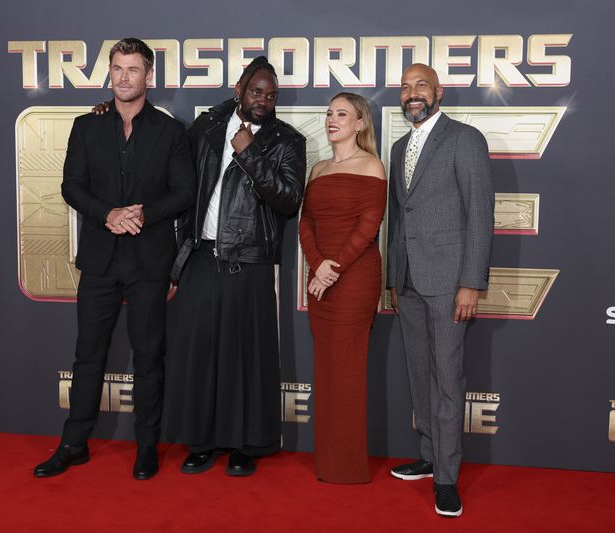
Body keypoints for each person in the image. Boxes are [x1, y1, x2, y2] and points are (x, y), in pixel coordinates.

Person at [33, 38, 194, 480]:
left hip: (149, 263)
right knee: (88, 357)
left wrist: (141, 213)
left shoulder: (172, 132)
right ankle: (73, 444)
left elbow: (183, 192)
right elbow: (71, 186)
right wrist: (107, 214)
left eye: (133, 70)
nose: (124, 78)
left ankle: (146, 447)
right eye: (117, 69)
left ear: (149, 76)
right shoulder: (87, 126)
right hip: (101, 262)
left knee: (148, 359)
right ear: (110, 73)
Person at [163, 56, 306, 476]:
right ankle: (202, 442)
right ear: (239, 89)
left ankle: (246, 444)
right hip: (201, 258)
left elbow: (288, 201)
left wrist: (251, 154)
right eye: (257, 91)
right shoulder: (206, 126)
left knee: (248, 359)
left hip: (250, 261)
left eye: (272, 94)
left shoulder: (286, 141)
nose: (264, 100)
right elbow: (171, 162)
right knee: (200, 356)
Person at [386, 64, 494, 516]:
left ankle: (447, 479)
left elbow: (479, 214)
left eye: (421, 86)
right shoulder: (397, 147)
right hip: (408, 281)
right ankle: (429, 456)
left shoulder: (465, 139)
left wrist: (470, 282)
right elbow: (400, 216)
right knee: (419, 375)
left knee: (447, 381)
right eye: (406, 87)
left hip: (449, 283)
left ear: (439, 92)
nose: (413, 94)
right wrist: (394, 277)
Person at [298, 93, 386, 484]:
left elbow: (369, 225)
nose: (332, 120)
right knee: (326, 368)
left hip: (353, 280)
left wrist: (332, 269)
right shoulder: (316, 170)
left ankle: (348, 467)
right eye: (329, 113)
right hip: (321, 283)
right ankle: (328, 461)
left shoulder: (372, 165)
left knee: (348, 370)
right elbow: (306, 224)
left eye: (342, 114)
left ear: (360, 123)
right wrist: (318, 267)